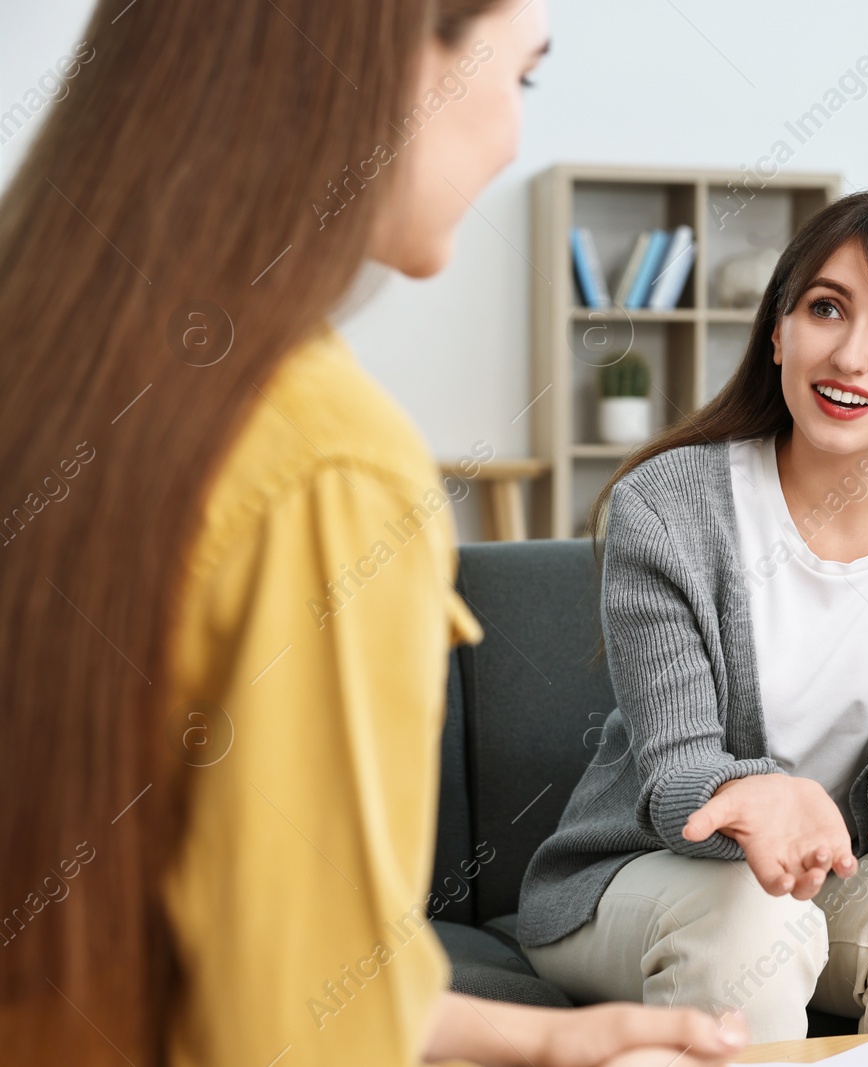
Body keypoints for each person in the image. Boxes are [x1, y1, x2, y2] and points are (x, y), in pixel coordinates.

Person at [0, 2, 743, 1065]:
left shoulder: (45, 360)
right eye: (522, 77)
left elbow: (222, 956)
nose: (514, 133)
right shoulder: (329, 462)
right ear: (396, 59)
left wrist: (538, 1045)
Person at [518, 190, 868, 1043]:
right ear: (779, 330)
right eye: (826, 309)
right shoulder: (669, 505)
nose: (850, 355)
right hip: (651, 878)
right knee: (754, 915)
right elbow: (681, 790)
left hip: (846, 874)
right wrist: (764, 792)